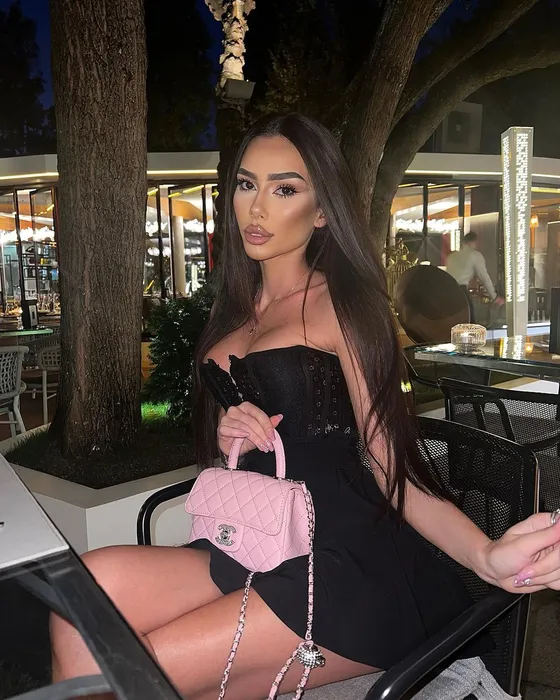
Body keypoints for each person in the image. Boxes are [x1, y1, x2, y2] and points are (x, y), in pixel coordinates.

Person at [50, 115, 560, 699]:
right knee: (76, 599)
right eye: (247, 184)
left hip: (343, 560)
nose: (256, 207)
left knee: (127, 675)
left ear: (322, 212)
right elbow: (245, 442)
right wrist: (229, 432)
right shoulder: (232, 308)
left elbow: (390, 463)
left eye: (284, 189)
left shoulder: (344, 306)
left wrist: (486, 555)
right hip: (256, 538)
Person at [446, 232, 504, 321]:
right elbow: (484, 277)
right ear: (474, 242)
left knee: (451, 322)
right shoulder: (475, 255)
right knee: (469, 323)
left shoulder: (452, 256)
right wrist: (494, 297)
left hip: (446, 293)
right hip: (460, 292)